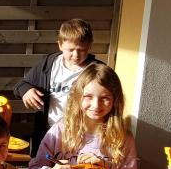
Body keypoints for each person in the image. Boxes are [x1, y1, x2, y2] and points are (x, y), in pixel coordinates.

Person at [27, 63, 138, 169]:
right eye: (88, 97)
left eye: (105, 98)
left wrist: (106, 167)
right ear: (78, 97)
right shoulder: (60, 130)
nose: (96, 105)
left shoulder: (123, 138)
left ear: (115, 100)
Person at [14, 19, 104, 151]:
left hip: (83, 135)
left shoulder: (97, 70)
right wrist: (26, 90)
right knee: (45, 167)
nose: (76, 55)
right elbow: (20, 85)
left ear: (90, 46)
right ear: (60, 45)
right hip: (48, 133)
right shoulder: (49, 64)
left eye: (82, 50)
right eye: (70, 50)